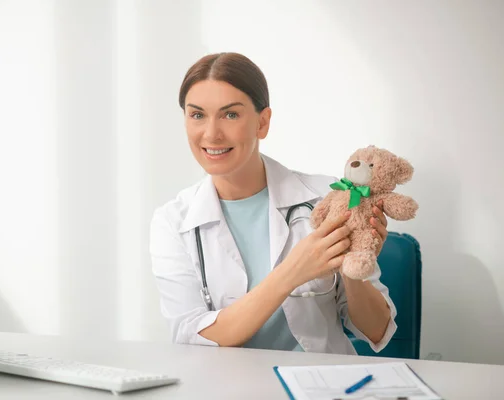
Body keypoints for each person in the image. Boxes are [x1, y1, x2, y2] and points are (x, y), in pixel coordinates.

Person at [149, 52, 397, 354]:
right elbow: (191, 336)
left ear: (262, 123)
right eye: (197, 115)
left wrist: (352, 264)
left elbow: (377, 331)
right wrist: (291, 272)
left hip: (319, 385)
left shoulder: (328, 199)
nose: (211, 133)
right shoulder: (172, 223)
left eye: (230, 114)